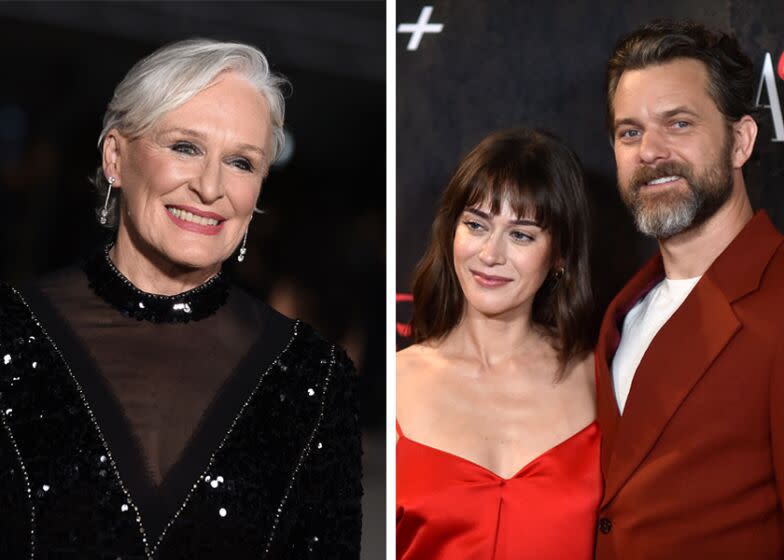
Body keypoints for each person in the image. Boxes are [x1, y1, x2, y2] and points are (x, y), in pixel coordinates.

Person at [0, 39, 362, 558]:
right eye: (186, 147)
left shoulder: (312, 377)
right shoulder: (11, 333)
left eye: (241, 162)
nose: (211, 187)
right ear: (116, 158)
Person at [595, 20, 784, 558]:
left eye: (678, 123)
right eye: (629, 132)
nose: (650, 151)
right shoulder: (621, 309)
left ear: (740, 141)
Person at [397, 128, 600, 559]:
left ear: (559, 255)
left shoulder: (598, 380)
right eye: (476, 225)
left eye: (521, 235)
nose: (490, 254)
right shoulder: (398, 384)